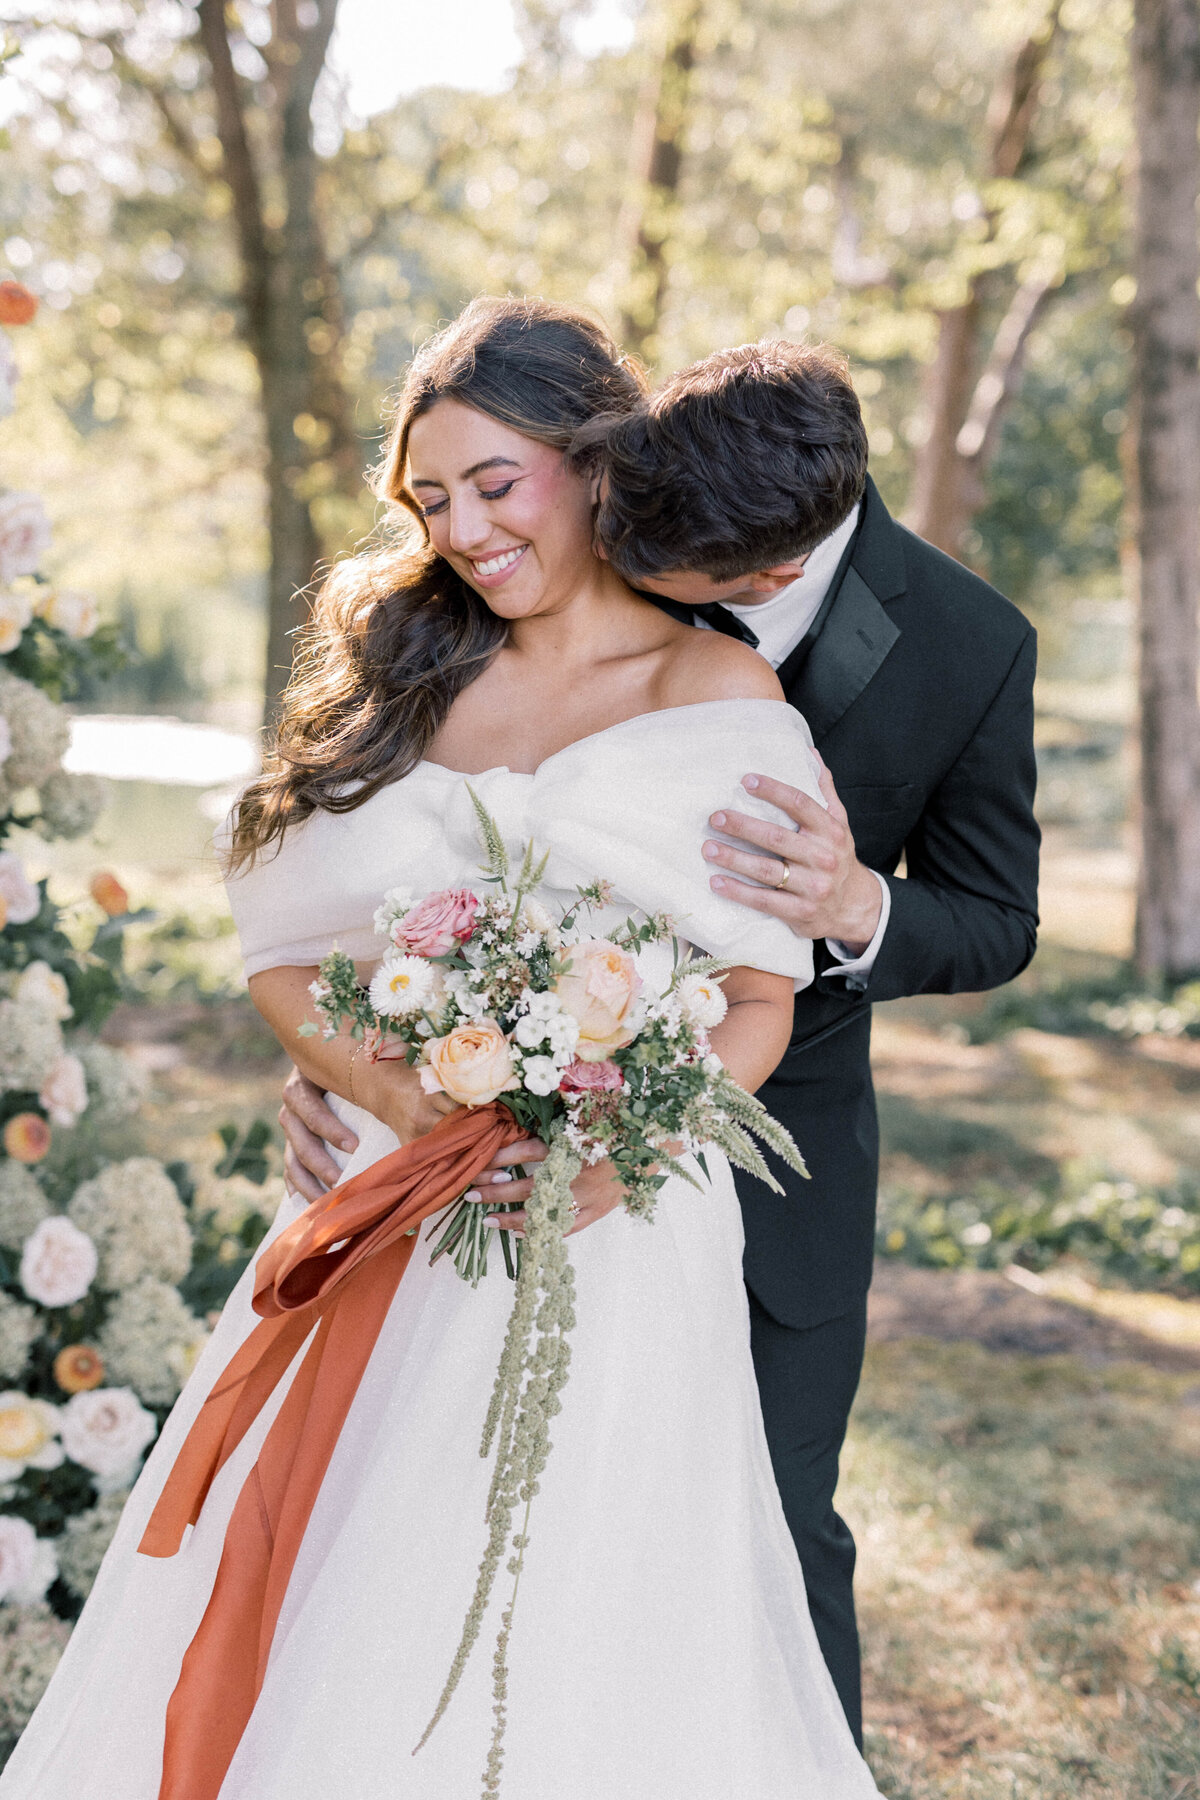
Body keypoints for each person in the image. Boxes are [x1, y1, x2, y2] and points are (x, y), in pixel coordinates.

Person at [0, 298, 884, 1799]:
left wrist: (629, 1148)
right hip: (386, 1206)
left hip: (615, 1236)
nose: (463, 531)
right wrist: (388, 1087)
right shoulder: (399, 671)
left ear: (596, 460)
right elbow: (283, 961)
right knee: (347, 1578)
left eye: (494, 483)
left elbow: (757, 1002)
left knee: (584, 1603)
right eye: (428, 500)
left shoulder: (724, 698)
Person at [281, 335, 1040, 1748]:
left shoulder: (971, 643)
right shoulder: (658, 481)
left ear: (760, 575)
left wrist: (857, 902)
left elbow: (1000, 921)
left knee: (769, 1508)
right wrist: (378, 1039)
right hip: (497, 1106)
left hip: (781, 1125)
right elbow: (453, 832)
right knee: (454, 1492)